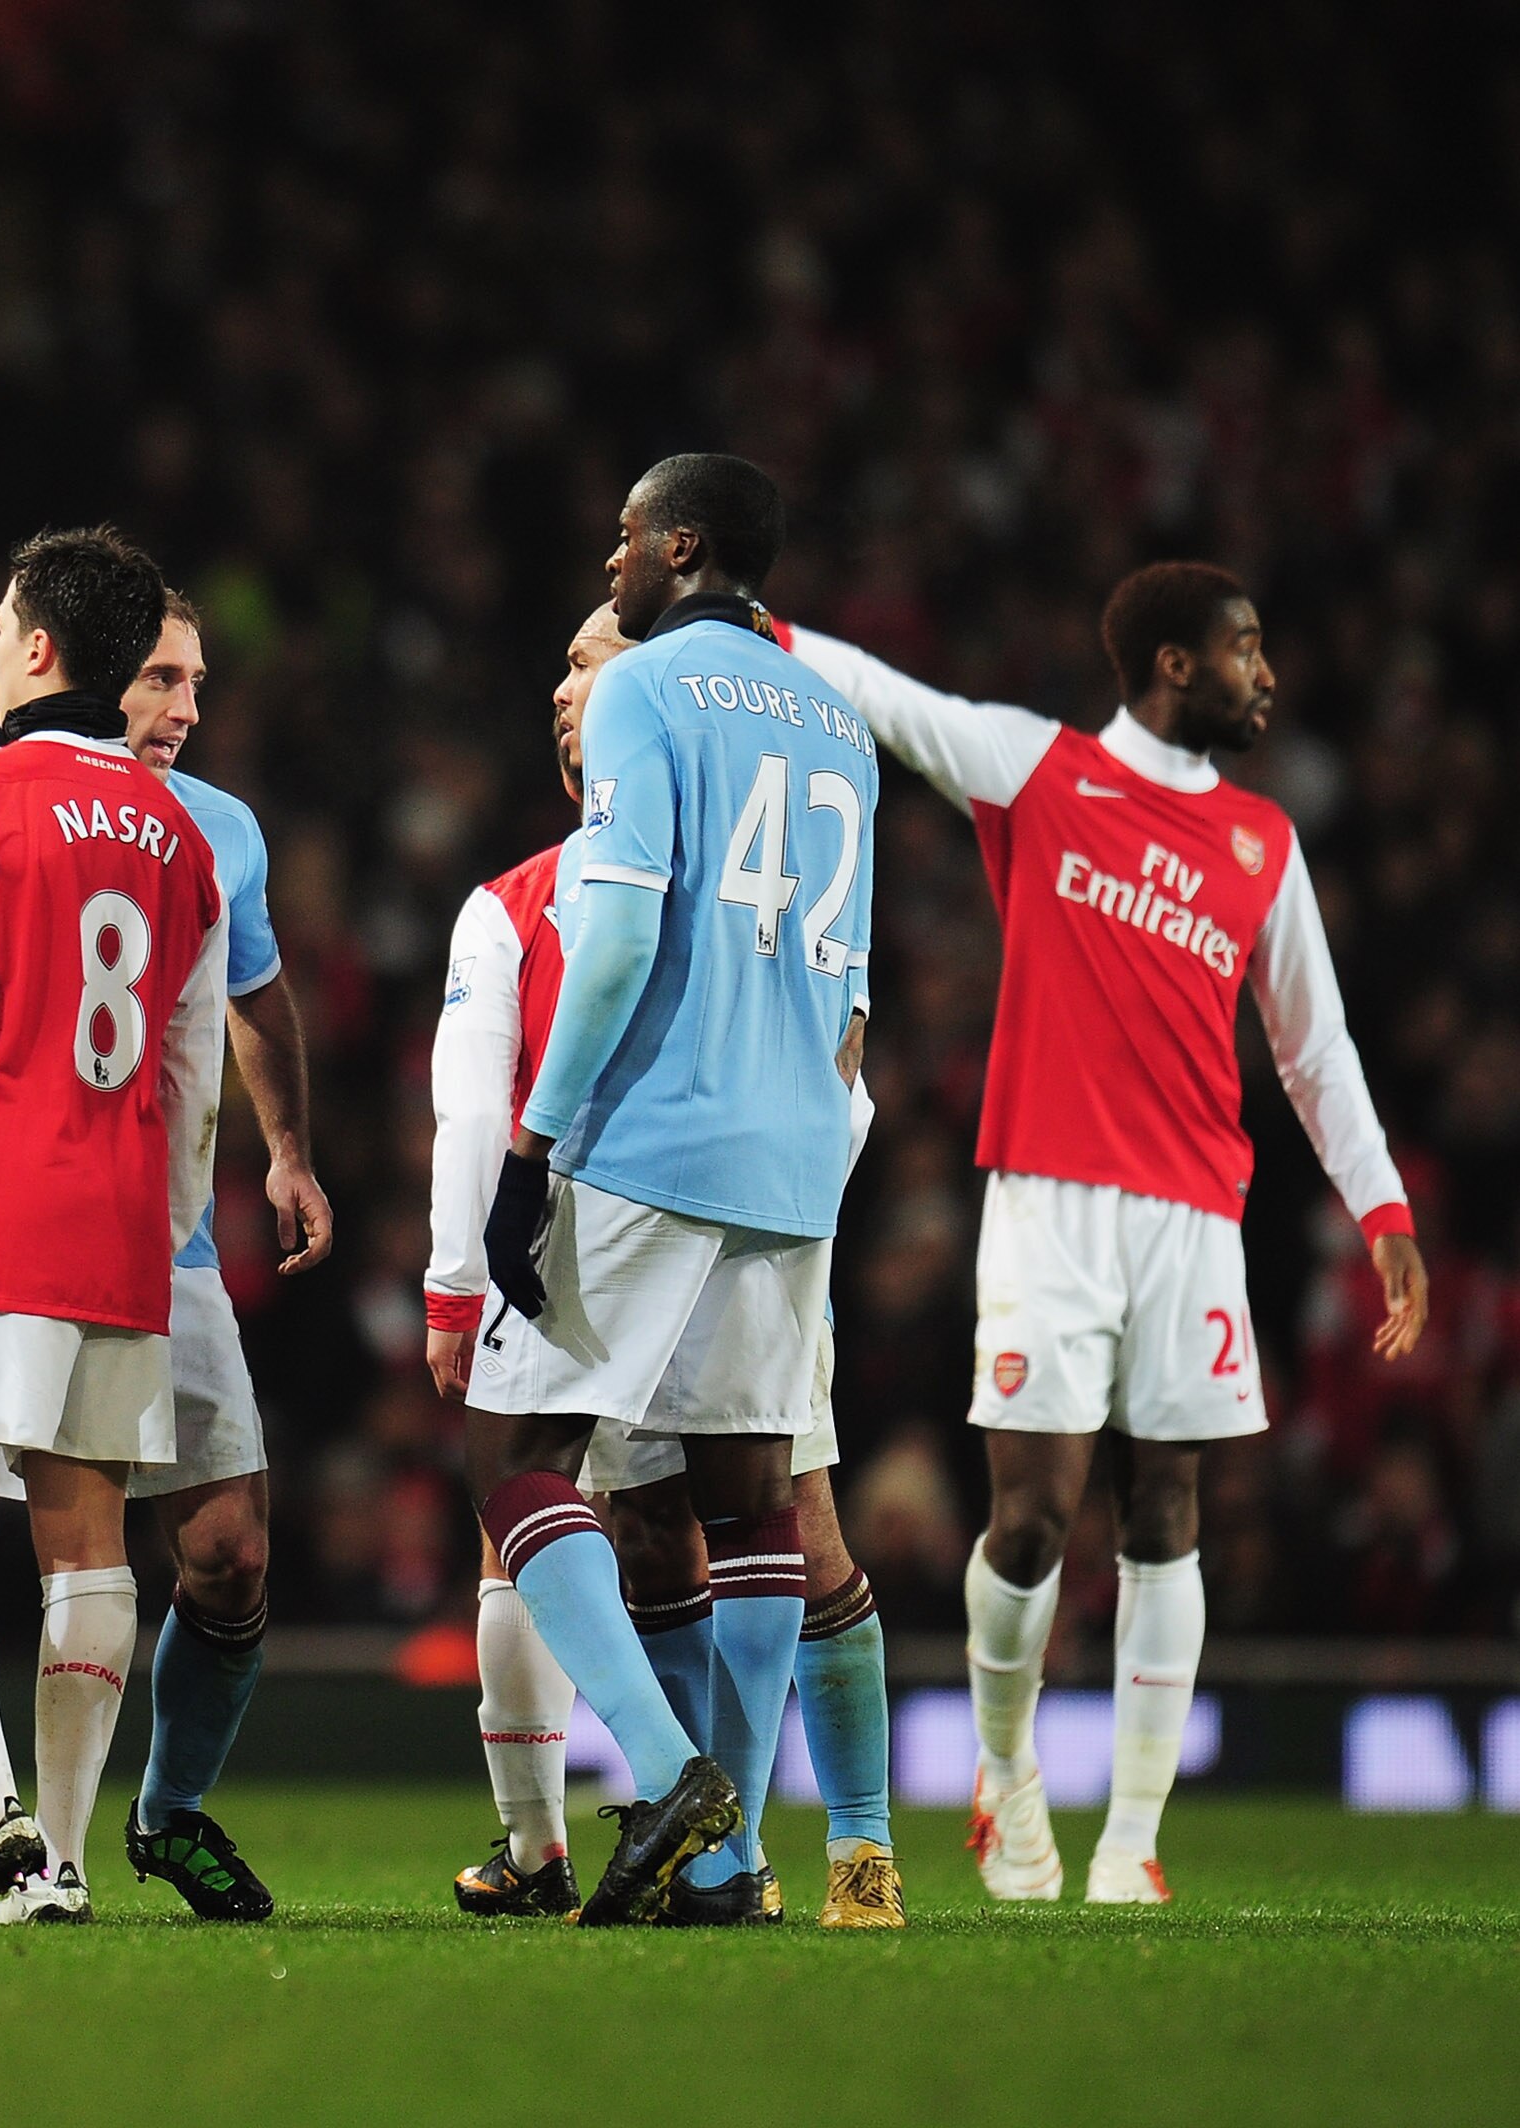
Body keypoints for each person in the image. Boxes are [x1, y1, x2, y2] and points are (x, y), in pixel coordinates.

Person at [791, 566, 1425, 1905]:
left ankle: (1132, 1840)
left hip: (1196, 1214)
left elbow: (1316, 1052)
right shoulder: (1042, 772)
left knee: (1171, 1510)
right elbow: (890, 701)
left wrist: (1384, 1210)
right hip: (1048, 1199)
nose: (1267, 673)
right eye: (1246, 649)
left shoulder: (1263, 842)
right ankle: (1006, 1774)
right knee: (1029, 1517)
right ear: (1174, 665)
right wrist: (746, 626)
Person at [0, 589, 330, 1922]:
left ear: (36, 651)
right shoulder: (178, 838)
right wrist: (166, 1216)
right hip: (125, 1221)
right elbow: (198, 1057)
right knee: (82, 1547)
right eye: (165, 677)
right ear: (108, 672)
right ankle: (22, 1861)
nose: (187, 708)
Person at [428, 603, 899, 1930]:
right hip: (773, 1187)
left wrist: (476, 1244)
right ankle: (723, 1861)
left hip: (637, 1188)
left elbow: (490, 1101)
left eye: (590, 658)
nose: (569, 686)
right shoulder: (806, 780)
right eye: (566, 663)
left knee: (769, 1508)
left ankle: (813, 1830)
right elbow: (849, 1019)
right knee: (682, 1521)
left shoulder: (567, 888)